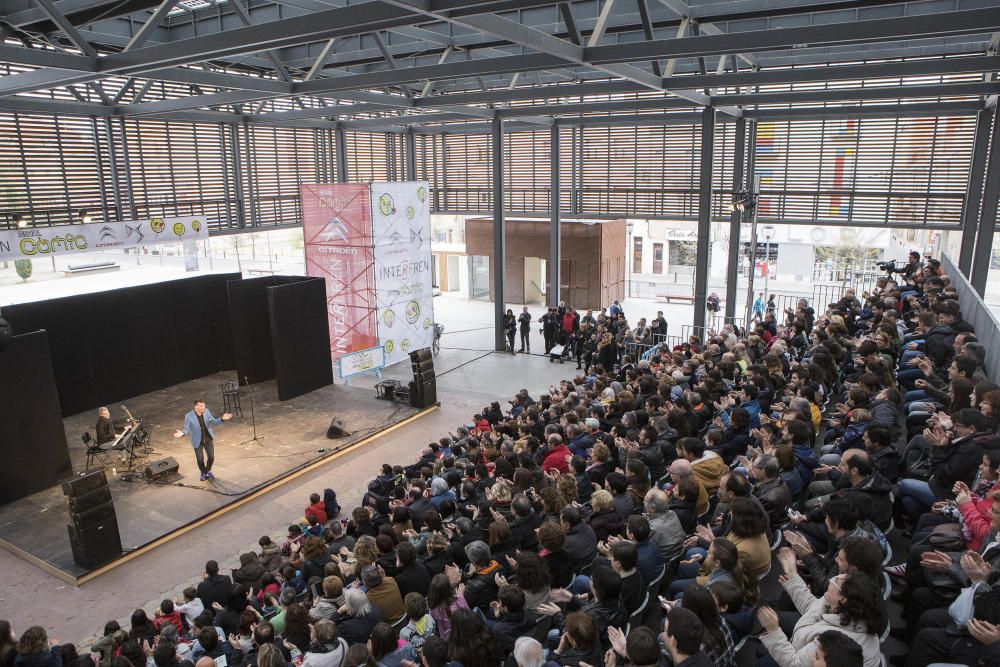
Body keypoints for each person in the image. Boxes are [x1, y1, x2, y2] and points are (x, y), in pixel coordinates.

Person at [173, 399, 232, 481]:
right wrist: (182, 433)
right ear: (196, 406)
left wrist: (222, 419)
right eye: (201, 405)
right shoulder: (188, 416)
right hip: (198, 441)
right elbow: (186, 429)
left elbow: (214, 421)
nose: (203, 407)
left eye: (204, 405)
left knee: (211, 457)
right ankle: (203, 472)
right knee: (200, 459)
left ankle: (206, 471)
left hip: (208, 438)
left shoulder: (206, 411)